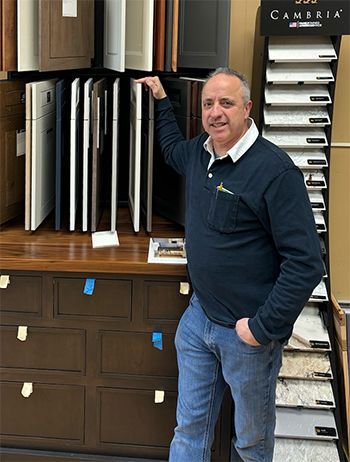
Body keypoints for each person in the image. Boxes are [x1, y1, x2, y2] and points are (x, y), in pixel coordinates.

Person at [136, 68, 324, 462]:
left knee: (251, 443)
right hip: (198, 321)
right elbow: (170, 148)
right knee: (188, 430)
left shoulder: (275, 171)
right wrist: (159, 99)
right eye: (208, 104)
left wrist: (262, 328)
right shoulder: (200, 153)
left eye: (226, 103)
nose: (215, 113)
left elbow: (306, 263)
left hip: (247, 336)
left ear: (248, 108)